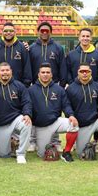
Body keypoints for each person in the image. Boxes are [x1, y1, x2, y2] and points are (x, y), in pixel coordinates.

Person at [65, 63, 98, 163]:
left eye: (87, 71)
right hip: (81, 124)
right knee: (80, 153)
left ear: (91, 72)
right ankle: (85, 145)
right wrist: (71, 115)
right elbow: (67, 105)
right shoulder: (70, 88)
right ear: (78, 72)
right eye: (82, 71)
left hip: (96, 120)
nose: (84, 73)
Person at [28, 22, 67, 152]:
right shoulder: (32, 48)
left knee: (55, 113)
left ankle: (56, 141)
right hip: (36, 85)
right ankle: (32, 141)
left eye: (47, 31)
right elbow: (29, 66)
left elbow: (62, 66)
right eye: (42, 30)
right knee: (34, 112)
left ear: (50, 32)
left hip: (54, 85)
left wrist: (61, 84)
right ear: (38, 31)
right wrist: (31, 83)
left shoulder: (57, 48)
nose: (44, 33)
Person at [28, 63, 79, 161]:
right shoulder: (31, 90)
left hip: (56, 121)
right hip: (41, 126)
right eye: (43, 72)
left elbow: (66, 105)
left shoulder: (59, 89)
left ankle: (66, 152)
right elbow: (27, 106)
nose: (45, 74)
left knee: (73, 125)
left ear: (52, 75)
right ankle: (48, 145)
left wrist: (71, 115)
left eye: (48, 72)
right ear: (38, 74)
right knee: (42, 154)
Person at [0, 62, 32, 164]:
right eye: (2, 70)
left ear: (11, 71)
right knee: (4, 154)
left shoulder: (19, 86)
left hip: (16, 118)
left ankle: (21, 154)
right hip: (1, 123)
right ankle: (11, 142)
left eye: (7, 70)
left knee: (26, 123)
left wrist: (27, 114)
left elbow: (26, 102)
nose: (5, 73)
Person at [0, 22, 32, 87]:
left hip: (18, 86)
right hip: (0, 85)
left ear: (15, 32)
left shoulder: (22, 47)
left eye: (11, 31)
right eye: (6, 31)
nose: (8, 32)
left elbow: (27, 67)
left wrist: (25, 84)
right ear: (2, 32)